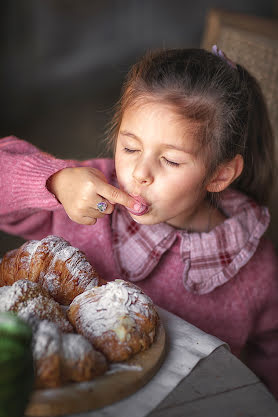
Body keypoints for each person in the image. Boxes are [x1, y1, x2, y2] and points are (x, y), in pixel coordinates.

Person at [1, 47, 278, 398]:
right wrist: (56, 182)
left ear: (220, 174)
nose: (139, 173)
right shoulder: (87, 197)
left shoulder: (252, 268)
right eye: (130, 148)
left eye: (171, 160)